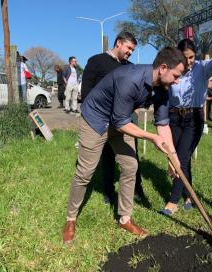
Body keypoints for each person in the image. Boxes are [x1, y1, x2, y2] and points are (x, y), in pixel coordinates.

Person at [62, 46, 186, 244]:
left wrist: (173, 157)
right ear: (163, 68)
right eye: (176, 75)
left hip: (120, 121)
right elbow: (121, 122)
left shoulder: (163, 89)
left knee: (130, 166)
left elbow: (163, 124)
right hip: (95, 120)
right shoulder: (130, 79)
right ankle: (70, 219)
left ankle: (125, 218)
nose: (177, 81)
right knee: (85, 172)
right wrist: (151, 137)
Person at [160, 38, 212, 215]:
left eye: (191, 57)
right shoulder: (174, 68)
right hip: (174, 117)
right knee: (184, 158)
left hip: (193, 118)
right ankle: (189, 195)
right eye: (184, 57)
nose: (188, 61)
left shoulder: (202, 68)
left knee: (180, 159)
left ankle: (173, 201)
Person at [80, 31, 144, 204]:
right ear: (118, 43)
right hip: (102, 120)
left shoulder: (129, 66)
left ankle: (138, 189)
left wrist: (134, 110)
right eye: (129, 48)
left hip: (125, 119)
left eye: (132, 49)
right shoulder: (96, 61)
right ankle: (108, 191)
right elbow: (86, 93)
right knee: (107, 156)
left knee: (132, 156)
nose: (130, 52)